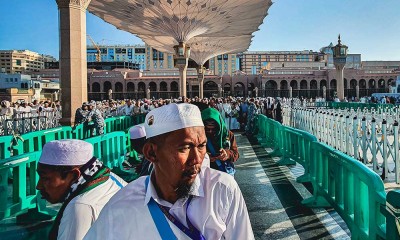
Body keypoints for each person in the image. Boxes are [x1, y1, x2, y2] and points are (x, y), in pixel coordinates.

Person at [84, 103, 254, 239]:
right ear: (151, 152)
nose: (197, 159)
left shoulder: (222, 189)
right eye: (185, 148)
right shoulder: (121, 207)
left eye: (201, 146)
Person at [36, 139, 126, 240]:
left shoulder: (79, 207)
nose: (38, 186)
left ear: (74, 175)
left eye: (45, 178)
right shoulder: (110, 177)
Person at [201, 107, 239, 176]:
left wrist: (227, 154)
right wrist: (205, 157)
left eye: (213, 129)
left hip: (224, 174)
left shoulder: (228, 135)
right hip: (205, 175)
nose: (210, 131)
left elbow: (236, 154)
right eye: (207, 129)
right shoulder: (198, 136)